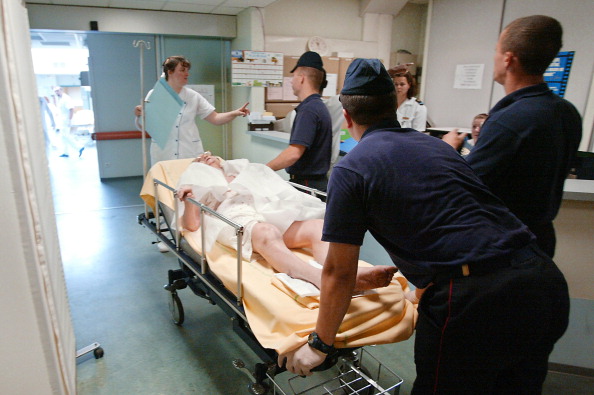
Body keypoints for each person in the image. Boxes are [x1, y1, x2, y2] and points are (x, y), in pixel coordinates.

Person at [279, 58, 569, 394]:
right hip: (541, 278)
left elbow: (339, 273)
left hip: (475, 302)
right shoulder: (438, 147)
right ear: (395, 107)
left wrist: (321, 343)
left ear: (347, 118)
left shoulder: (352, 168)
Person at [445, 15, 582, 257]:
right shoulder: (566, 112)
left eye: (496, 50)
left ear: (508, 58)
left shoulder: (510, 120)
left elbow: (466, 188)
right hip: (541, 243)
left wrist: (447, 150)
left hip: (504, 250)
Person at [176, 152, 396, 292]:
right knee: (267, 232)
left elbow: (272, 186)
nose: (206, 156)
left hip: (266, 212)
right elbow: (192, 225)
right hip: (234, 218)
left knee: (316, 228)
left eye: (210, 155)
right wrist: (191, 201)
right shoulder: (198, 185)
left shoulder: (241, 172)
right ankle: (322, 279)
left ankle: (341, 273)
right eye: (200, 159)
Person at [134, 55, 250, 166]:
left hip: (189, 151)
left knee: (190, 183)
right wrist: (140, 115)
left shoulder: (193, 96)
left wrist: (235, 113)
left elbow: (215, 118)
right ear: (170, 72)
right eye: (182, 70)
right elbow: (147, 126)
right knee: (165, 183)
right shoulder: (155, 94)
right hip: (164, 153)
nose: (187, 74)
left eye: (187, 70)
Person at [266, 51, 333, 191]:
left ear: (302, 78)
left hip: (307, 185)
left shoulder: (309, 110)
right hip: (313, 183)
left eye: (294, 76)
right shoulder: (317, 106)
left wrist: (263, 169)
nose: (291, 80)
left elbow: (294, 153)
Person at [388, 66, 427, 132]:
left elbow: (419, 133)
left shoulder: (418, 107)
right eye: (396, 84)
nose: (398, 87)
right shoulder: (387, 104)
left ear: (409, 85)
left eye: (402, 84)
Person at [53, 86, 85, 158]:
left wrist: (69, 120)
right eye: (55, 91)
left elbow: (71, 109)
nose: (56, 92)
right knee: (63, 136)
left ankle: (79, 147)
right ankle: (65, 152)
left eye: (57, 91)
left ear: (61, 90)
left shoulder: (66, 98)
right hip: (62, 119)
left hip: (66, 119)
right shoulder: (60, 99)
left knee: (65, 135)